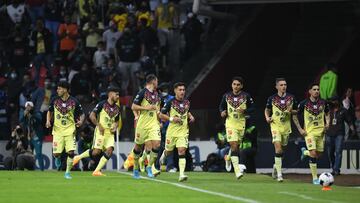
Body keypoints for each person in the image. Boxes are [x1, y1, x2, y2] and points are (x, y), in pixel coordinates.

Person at [73, 86, 120, 176]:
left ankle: (96, 171)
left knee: (110, 151)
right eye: (116, 94)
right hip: (100, 132)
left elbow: (116, 121)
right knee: (96, 152)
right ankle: (78, 157)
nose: (118, 96)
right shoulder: (102, 104)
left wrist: (115, 126)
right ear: (110, 94)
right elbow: (92, 115)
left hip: (109, 134)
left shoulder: (117, 108)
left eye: (118, 95)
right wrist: (99, 125)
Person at [46, 81, 85, 179]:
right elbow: (49, 111)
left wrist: (81, 121)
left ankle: (67, 172)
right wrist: (48, 121)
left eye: (59, 88)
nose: (57, 90)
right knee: (56, 153)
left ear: (65, 89)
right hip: (58, 131)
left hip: (70, 130)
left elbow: (82, 113)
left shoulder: (74, 101)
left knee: (71, 152)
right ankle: (57, 157)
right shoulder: (54, 100)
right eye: (57, 88)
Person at [294, 83, 330, 184]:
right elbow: (294, 115)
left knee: (318, 154)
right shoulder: (303, 104)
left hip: (321, 132)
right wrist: (300, 129)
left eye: (318, 89)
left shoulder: (323, 103)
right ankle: (315, 178)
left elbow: (327, 113)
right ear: (310, 91)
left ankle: (305, 152)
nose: (316, 91)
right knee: (313, 153)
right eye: (314, 89)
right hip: (310, 133)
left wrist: (327, 123)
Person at [219, 76, 254, 179]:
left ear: (241, 86)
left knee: (236, 146)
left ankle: (228, 158)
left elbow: (253, 108)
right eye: (234, 84)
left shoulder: (246, 96)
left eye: (238, 84)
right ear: (232, 85)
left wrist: (245, 111)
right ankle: (237, 171)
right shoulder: (226, 96)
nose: (236, 86)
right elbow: (221, 106)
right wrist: (222, 112)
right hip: (230, 123)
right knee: (233, 145)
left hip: (241, 124)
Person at [159, 82, 195, 181]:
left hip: (183, 131)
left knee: (181, 150)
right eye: (180, 90)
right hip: (172, 132)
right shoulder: (170, 102)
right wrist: (172, 119)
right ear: (175, 91)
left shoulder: (187, 102)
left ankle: (182, 174)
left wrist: (191, 117)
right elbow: (161, 115)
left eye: (183, 90)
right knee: (169, 151)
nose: (182, 92)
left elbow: (187, 112)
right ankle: (164, 155)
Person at [264, 78, 298, 182]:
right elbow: (267, 110)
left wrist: (291, 111)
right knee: (278, 149)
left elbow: (297, 111)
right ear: (277, 87)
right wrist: (267, 117)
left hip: (286, 127)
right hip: (275, 126)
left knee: (281, 151)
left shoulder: (291, 98)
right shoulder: (272, 98)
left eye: (285, 84)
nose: (284, 86)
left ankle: (275, 167)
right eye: (281, 85)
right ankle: (279, 175)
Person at [131, 74, 161, 179]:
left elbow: (158, 110)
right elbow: (133, 106)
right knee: (138, 147)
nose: (157, 83)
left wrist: (159, 120)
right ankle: (135, 168)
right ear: (153, 82)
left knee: (157, 145)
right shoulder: (142, 92)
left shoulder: (157, 94)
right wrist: (146, 108)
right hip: (142, 124)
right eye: (157, 81)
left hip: (153, 124)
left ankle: (149, 167)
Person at [326, 96, 355, 175]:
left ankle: (336, 169)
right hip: (329, 134)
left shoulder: (344, 111)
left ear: (338, 101)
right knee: (330, 152)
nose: (334, 102)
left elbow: (349, 121)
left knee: (338, 151)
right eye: (332, 101)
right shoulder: (328, 110)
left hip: (339, 134)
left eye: (335, 100)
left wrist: (353, 130)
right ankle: (333, 168)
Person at [20, 101, 44, 171]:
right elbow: (21, 121)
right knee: (29, 154)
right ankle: (31, 169)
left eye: (29, 106)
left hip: (37, 137)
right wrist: (24, 115)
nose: (28, 108)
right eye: (27, 107)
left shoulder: (37, 113)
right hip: (29, 137)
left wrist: (32, 115)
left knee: (38, 154)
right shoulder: (25, 114)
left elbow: (39, 120)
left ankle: (42, 170)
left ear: (32, 107)